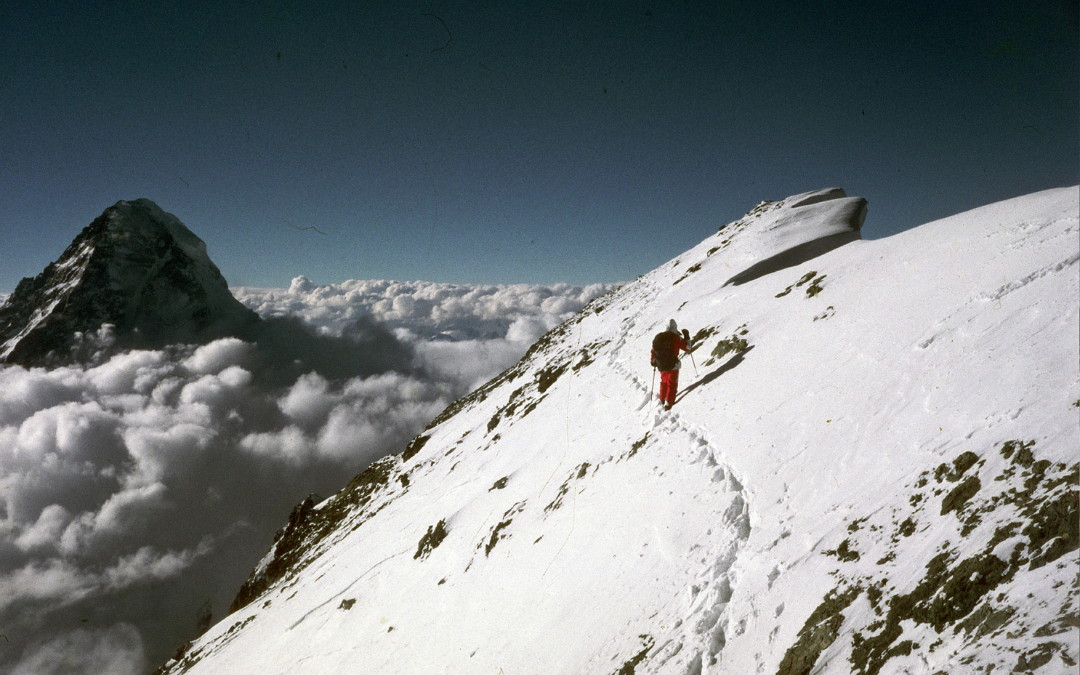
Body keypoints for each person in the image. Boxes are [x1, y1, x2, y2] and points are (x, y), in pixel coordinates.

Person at [654, 319, 692, 409]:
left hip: (661, 364)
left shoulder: (659, 337)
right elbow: (687, 347)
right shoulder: (675, 337)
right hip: (673, 364)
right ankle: (668, 404)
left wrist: (653, 361)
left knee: (664, 382)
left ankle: (662, 399)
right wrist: (687, 337)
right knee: (672, 383)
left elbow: (653, 350)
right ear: (675, 327)